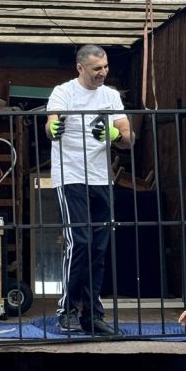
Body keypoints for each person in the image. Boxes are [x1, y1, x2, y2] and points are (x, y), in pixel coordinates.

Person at [46, 44, 133, 336]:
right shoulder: (64, 92)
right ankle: (67, 310)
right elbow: (50, 124)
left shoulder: (110, 96)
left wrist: (114, 134)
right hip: (70, 175)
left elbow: (128, 137)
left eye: (106, 66)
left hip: (100, 178)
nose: (103, 73)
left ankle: (92, 314)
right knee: (79, 242)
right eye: (97, 68)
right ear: (80, 68)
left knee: (98, 247)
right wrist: (53, 129)